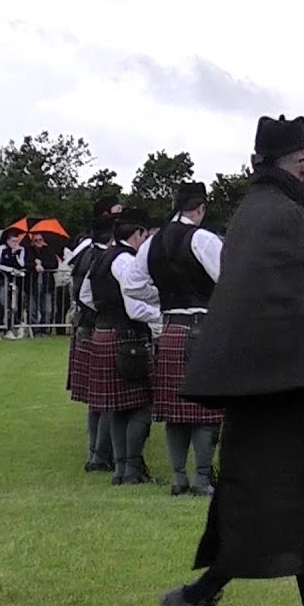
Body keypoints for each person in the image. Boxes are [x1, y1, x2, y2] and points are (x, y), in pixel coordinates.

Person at [161, 114, 304, 606]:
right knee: (260, 500)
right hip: (287, 389)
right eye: (301, 162)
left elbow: (299, 289)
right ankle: (198, 594)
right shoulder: (276, 215)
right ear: (283, 163)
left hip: (293, 383)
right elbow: (284, 298)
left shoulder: (263, 211)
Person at [123, 182, 225, 497]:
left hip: (170, 329)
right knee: (207, 410)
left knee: (175, 411)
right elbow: (230, 278)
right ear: (200, 208)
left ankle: (179, 478)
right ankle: (203, 479)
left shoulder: (152, 243)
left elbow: (132, 285)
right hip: (202, 327)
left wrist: (164, 297)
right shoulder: (203, 238)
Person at [81, 207, 159, 485]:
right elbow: (134, 301)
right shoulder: (126, 260)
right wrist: (160, 314)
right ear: (137, 233)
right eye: (144, 234)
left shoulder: (101, 258)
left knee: (117, 406)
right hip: (126, 336)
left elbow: (85, 296)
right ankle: (131, 469)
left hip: (103, 331)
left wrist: (106, 313)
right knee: (141, 405)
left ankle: (121, 470)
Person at [69, 213, 116, 473]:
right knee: (104, 396)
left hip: (86, 327)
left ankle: (96, 450)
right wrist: (105, 311)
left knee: (96, 397)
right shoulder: (99, 257)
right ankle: (100, 453)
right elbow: (84, 294)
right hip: (95, 326)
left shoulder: (86, 254)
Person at [0, 228, 29, 339]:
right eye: (13, 241)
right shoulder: (2, 248)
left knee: (18, 303)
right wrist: (10, 270)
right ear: (8, 241)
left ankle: (18, 326)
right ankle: (7, 328)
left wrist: (16, 254)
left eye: (17, 241)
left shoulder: (21, 249)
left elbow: (22, 264)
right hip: (5, 280)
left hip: (17, 281)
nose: (15, 243)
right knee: (6, 304)